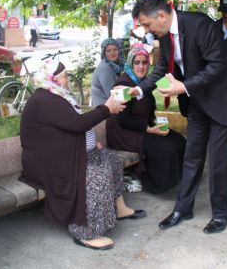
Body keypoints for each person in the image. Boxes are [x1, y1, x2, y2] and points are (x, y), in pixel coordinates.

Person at [129, 0, 227, 234]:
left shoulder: (200, 25)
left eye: (147, 24)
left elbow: (218, 65)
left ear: (162, 16)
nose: (146, 30)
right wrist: (137, 89)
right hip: (199, 99)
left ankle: (221, 213)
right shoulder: (164, 35)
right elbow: (162, 67)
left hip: (225, 99)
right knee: (192, 155)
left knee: (218, 161)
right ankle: (183, 208)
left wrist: (184, 87)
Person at [20, 60, 145, 250]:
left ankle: (118, 208)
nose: (67, 79)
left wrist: (91, 139)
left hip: (67, 153)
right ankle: (85, 232)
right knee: (95, 177)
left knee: (110, 160)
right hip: (47, 163)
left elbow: (69, 124)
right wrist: (106, 108)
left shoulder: (55, 95)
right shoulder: (45, 100)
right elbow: (77, 124)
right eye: (64, 76)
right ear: (53, 79)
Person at [106, 44, 186, 193]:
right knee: (164, 149)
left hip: (141, 125)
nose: (141, 67)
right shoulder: (122, 86)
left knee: (179, 141)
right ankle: (154, 184)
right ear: (130, 63)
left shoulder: (145, 83)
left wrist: (154, 123)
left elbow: (165, 86)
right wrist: (150, 130)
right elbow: (123, 120)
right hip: (122, 132)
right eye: (137, 63)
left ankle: (180, 178)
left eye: (144, 62)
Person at [91, 38, 125, 106]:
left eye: (115, 50)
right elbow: (113, 95)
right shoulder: (104, 68)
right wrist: (133, 92)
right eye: (108, 51)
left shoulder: (116, 65)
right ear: (104, 53)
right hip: (104, 111)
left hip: (112, 106)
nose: (112, 53)